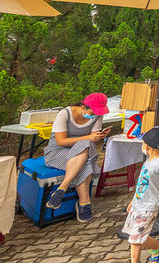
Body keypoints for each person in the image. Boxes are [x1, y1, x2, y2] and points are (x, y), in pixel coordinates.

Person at [43, 92, 111, 221]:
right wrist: (88, 138)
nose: (95, 115)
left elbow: (91, 140)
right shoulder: (65, 114)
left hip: (81, 153)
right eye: (93, 112)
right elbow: (60, 141)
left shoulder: (97, 116)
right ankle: (84, 202)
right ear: (84, 106)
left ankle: (62, 188)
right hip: (57, 152)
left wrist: (99, 136)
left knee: (84, 149)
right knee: (86, 161)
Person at [123, 126, 159, 263]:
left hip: (149, 206)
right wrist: (132, 200)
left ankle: (158, 246)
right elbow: (142, 183)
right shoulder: (149, 160)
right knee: (133, 236)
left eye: (143, 143)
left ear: (148, 146)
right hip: (138, 204)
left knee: (136, 238)